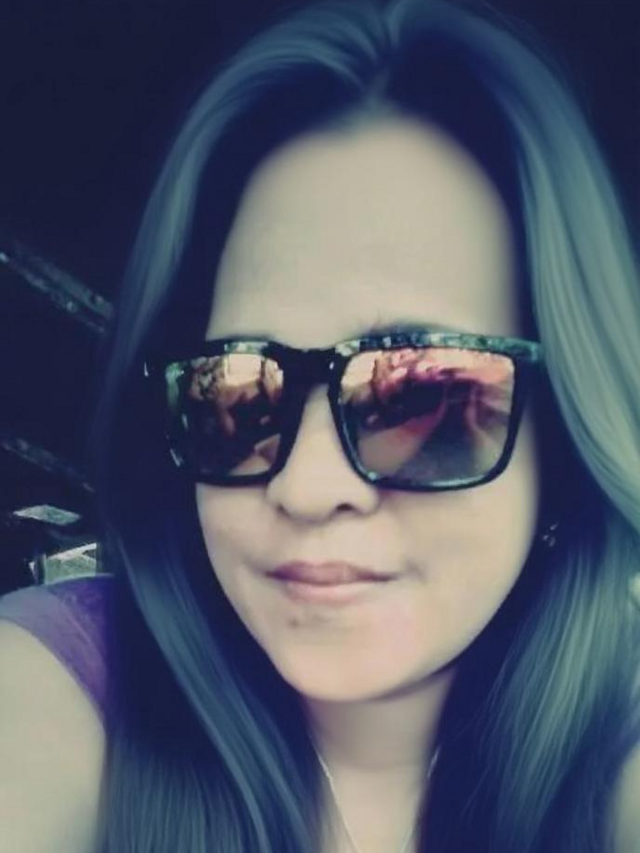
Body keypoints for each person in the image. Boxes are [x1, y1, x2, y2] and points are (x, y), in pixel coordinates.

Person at [0, 0, 639, 851]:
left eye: (423, 397)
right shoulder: (72, 680)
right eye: (236, 392)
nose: (305, 486)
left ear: (559, 441)